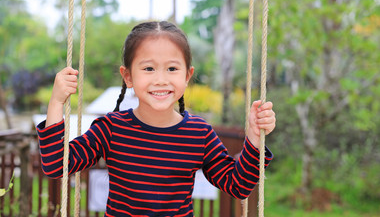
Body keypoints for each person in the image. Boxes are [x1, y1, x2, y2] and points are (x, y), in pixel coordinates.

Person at [37, 21, 276, 217]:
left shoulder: (199, 133)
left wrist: (255, 138)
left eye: (172, 69)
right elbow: (57, 164)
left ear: (187, 76)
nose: (161, 79)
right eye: (149, 69)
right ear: (128, 76)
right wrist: (56, 102)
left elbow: (238, 184)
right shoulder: (111, 128)